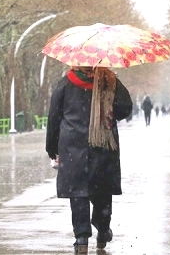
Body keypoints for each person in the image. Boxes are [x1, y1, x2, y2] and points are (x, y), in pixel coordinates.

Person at [46, 66, 133, 254]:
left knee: (78, 192)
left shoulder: (66, 83)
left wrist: (52, 148)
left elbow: (54, 117)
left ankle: (81, 237)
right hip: (102, 144)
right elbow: (125, 108)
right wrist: (108, 111)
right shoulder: (109, 81)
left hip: (72, 146)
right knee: (102, 190)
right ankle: (102, 230)